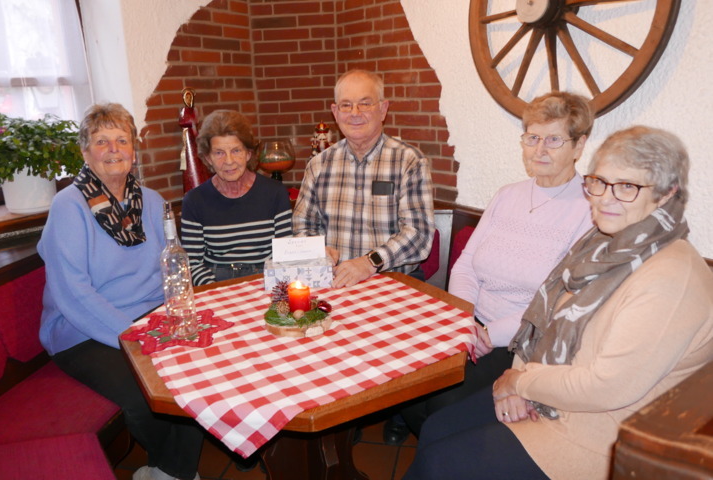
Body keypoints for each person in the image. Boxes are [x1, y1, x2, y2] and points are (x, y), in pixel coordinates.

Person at [405, 126, 713, 480]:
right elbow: (543, 317)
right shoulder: (600, 243)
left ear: (666, 192)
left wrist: (519, 383)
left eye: (627, 186)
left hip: (598, 431)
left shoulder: (671, 277)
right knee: (438, 428)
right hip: (550, 389)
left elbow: (605, 387)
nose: (606, 198)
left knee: (441, 462)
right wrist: (518, 378)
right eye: (600, 182)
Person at [401, 91, 595, 437]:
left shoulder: (589, 210)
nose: (539, 149)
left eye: (554, 140)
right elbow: (465, 265)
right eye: (532, 138)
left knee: (443, 407)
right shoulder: (508, 195)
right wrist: (464, 320)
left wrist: (490, 334)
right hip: (470, 323)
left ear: (579, 146)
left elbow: (558, 302)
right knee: (407, 384)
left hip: (520, 343)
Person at [38, 103, 203, 480]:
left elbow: (173, 266)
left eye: (121, 140)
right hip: (82, 331)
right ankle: (174, 470)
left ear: (133, 150)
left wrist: (178, 314)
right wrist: (134, 336)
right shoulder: (68, 206)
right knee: (143, 394)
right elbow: (73, 293)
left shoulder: (153, 201)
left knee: (199, 371)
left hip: (150, 320)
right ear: (85, 152)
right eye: (101, 141)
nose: (113, 149)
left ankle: (167, 472)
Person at [292, 69, 434, 444]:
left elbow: (419, 236)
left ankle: (399, 407)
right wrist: (317, 249)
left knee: (398, 356)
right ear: (334, 112)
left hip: (393, 282)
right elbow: (303, 225)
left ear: (383, 109)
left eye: (365, 103)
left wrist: (369, 263)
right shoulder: (319, 164)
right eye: (346, 105)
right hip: (335, 282)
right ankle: (342, 417)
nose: (355, 113)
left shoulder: (409, 161)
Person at [181, 110, 292, 286]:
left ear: (248, 154)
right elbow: (193, 264)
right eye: (219, 153)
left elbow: (285, 254)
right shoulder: (194, 200)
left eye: (236, 150)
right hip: (216, 282)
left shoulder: (275, 193)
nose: (229, 161)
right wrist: (217, 289)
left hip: (265, 279)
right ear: (208, 158)